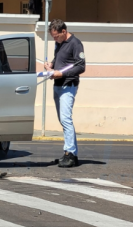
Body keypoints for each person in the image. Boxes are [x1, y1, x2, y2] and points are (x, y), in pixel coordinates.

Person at [44, 19, 85, 167]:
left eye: (56, 36)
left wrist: (61, 74)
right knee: (63, 120)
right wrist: (52, 64)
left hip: (69, 85)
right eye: (53, 37)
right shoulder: (59, 43)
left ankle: (70, 154)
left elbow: (81, 66)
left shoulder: (76, 43)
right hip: (58, 85)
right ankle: (70, 153)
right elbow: (60, 59)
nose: (55, 39)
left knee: (66, 119)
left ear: (63, 31)